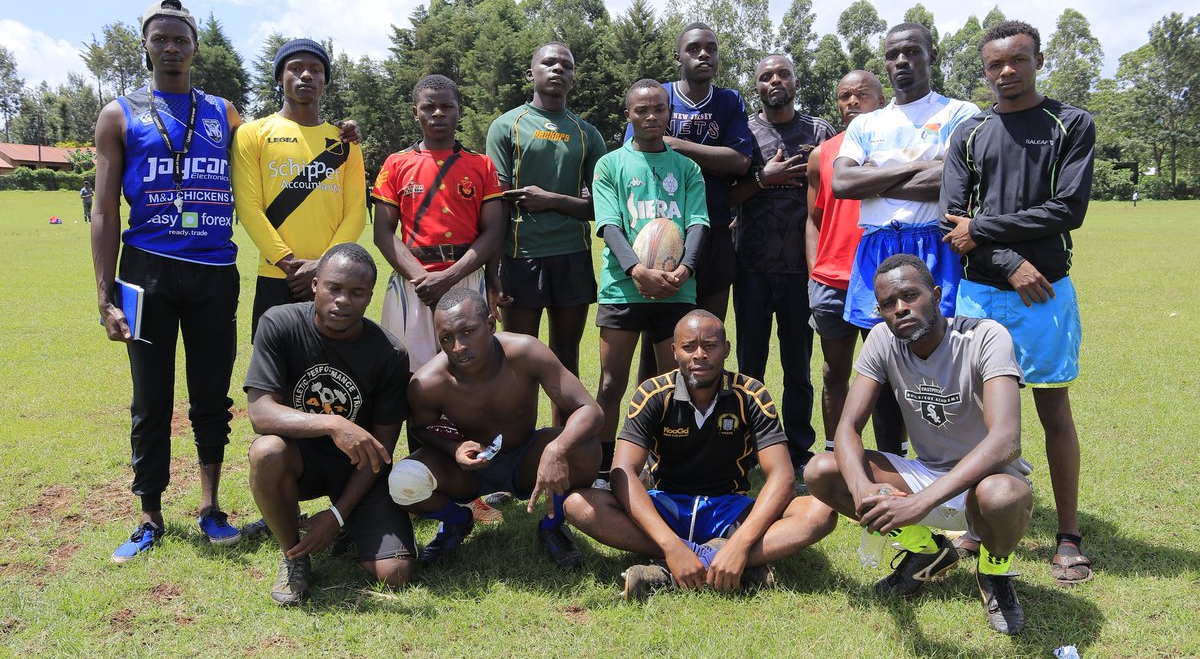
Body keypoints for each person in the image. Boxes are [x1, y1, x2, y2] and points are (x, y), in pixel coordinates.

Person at [940, 20, 1095, 585]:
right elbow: (952, 223)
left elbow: (1067, 209)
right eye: (995, 65)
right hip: (981, 293)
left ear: (1037, 60)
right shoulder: (970, 132)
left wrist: (985, 231)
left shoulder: (1071, 123)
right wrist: (1007, 260)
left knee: (1054, 411)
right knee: (981, 418)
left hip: (1046, 292)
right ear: (983, 70)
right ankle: (979, 524)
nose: (1006, 72)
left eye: (1018, 61)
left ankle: (1068, 535)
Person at [805, 254, 1033, 635]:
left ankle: (994, 572)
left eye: (910, 296)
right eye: (889, 304)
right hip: (926, 473)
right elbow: (847, 428)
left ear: (937, 295)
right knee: (822, 470)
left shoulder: (986, 337)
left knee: (1003, 495)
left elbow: (1006, 441)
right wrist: (863, 492)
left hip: (985, 480)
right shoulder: (882, 339)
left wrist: (920, 503)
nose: (901, 309)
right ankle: (927, 550)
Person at [92, 0, 243, 562]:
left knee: (211, 394)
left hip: (213, 271)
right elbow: (105, 210)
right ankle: (149, 514)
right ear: (147, 45)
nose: (172, 46)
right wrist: (104, 294)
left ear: (195, 46)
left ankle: (210, 507)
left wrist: (338, 134)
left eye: (181, 38)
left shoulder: (224, 113)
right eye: (162, 38)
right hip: (146, 270)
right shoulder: (118, 114)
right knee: (150, 397)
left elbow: (276, 151)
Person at [565, 310, 837, 600]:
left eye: (709, 345)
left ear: (726, 350)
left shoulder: (751, 394)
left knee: (820, 511)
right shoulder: (653, 393)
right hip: (667, 507)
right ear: (674, 351)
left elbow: (782, 476)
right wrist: (671, 545)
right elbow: (622, 473)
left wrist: (741, 544)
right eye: (688, 346)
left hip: (730, 510)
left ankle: (688, 567)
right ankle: (710, 562)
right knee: (578, 504)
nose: (699, 355)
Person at [386, 287, 603, 570]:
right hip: (468, 473)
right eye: (447, 338)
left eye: (467, 332)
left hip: (525, 459)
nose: (458, 347)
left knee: (585, 447)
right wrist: (454, 448)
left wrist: (556, 449)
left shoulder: (526, 351)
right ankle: (457, 521)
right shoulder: (428, 382)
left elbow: (590, 410)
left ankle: (552, 525)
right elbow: (422, 428)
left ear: (490, 324)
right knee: (404, 481)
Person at [245, 243, 414, 604]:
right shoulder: (279, 323)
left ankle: (347, 526)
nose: (342, 301)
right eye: (334, 288)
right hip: (300, 460)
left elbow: (381, 452)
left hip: (359, 469)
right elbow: (261, 413)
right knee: (266, 451)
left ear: (369, 297)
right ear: (315, 286)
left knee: (395, 574)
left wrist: (337, 515)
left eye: (356, 293)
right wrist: (334, 424)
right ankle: (294, 554)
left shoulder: (390, 353)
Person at [624, 23, 753, 404]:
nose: (703, 55)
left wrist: (675, 144)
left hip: (710, 233)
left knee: (709, 336)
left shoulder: (729, 101)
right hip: (657, 239)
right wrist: (714, 159)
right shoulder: (657, 95)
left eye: (711, 48)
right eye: (694, 48)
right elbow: (635, 154)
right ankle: (647, 435)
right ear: (677, 55)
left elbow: (740, 162)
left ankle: (707, 427)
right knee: (658, 347)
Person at [593, 79, 709, 486]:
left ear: (669, 113)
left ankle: (667, 466)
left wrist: (686, 270)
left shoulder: (687, 168)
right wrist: (636, 271)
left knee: (673, 384)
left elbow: (697, 223)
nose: (651, 116)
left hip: (677, 289)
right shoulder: (610, 164)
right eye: (642, 110)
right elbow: (608, 224)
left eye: (659, 109)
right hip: (623, 288)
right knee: (611, 383)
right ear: (629, 115)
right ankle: (603, 467)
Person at [832, 23, 979, 329]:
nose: (901, 60)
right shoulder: (865, 124)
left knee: (943, 340)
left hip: (935, 241)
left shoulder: (959, 113)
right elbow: (843, 183)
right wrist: (919, 166)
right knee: (881, 348)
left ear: (932, 55)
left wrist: (873, 181)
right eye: (892, 54)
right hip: (877, 242)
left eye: (912, 51)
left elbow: (951, 182)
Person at [729, 54, 835, 478]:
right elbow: (728, 195)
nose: (775, 80)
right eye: (766, 76)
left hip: (802, 269)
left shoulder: (820, 132)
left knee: (799, 366)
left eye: (783, 74)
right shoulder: (744, 132)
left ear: (795, 80)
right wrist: (761, 179)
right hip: (751, 267)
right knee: (749, 364)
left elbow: (836, 194)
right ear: (756, 86)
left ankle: (797, 448)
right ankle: (746, 444)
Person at [486, 42, 606, 405]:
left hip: (572, 255)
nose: (558, 70)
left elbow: (601, 208)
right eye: (549, 63)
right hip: (520, 257)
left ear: (573, 78)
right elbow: (498, 205)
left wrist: (551, 199)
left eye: (566, 66)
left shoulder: (587, 134)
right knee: (515, 360)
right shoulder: (507, 125)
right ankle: (516, 450)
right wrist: (493, 272)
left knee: (565, 360)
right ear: (530, 74)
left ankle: (564, 450)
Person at [232, 38, 366, 337]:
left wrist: (323, 266)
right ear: (280, 78)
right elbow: (249, 206)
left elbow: (356, 211)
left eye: (316, 70)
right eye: (295, 68)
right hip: (277, 274)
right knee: (273, 376)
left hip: (334, 280)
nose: (306, 75)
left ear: (325, 82)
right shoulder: (252, 133)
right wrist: (289, 264)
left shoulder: (345, 141)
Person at [373, 75, 505, 374]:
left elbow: (494, 230)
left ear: (459, 110)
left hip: (467, 276)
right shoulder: (395, 163)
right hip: (414, 282)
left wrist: (448, 278)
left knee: (474, 369)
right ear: (414, 111)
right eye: (428, 106)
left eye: (446, 106)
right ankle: (421, 425)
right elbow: (382, 232)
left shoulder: (482, 164)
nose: (437, 113)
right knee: (410, 372)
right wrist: (423, 280)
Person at [805, 71, 905, 455]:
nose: (852, 102)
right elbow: (813, 220)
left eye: (862, 94)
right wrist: (815, 271)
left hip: (882, 280)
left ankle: (893, 459)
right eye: (844, 95)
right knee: (834, 372)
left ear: (881, 100)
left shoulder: (895, 148)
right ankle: (836, 454)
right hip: (832, 281)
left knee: (889, 372)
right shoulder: (823, 153)